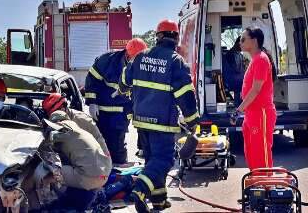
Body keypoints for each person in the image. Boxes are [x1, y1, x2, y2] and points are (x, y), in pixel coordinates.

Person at [118, 19, 200, 212]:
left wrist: (124, 90)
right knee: (164, 160)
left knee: (152, 161)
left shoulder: (140, 57)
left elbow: (124, 81)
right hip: (162, 123)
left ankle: (159, 200)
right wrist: (192, 119)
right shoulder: (175, 61)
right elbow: (184, 94)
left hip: (141, 121)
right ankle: (140, 190)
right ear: (176, 38)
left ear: (158, 37)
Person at [84, 38, 147, 166]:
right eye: (134, 59)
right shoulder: (107, 61)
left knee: (118, 142)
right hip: (102, 111)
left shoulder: (144, 64)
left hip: (123, 111)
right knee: (101, 143)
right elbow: (91, 80)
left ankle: (118, 168)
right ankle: (104, 169)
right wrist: (92, 102)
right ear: (127, 54)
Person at [42, 110, 112, 211]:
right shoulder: (77, 128)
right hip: (104, 172)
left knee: (50, 170)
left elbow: (48, 147)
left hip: (90, 177)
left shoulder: (62, 129)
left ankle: (46, 199)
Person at [234, 27, 277, 171]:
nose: (240, 42)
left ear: (254, 41)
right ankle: (255, 183)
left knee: (261, 152)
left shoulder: (261, 60)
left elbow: (256, 89)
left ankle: (265, 185)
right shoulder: (255, 60)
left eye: (243, 39)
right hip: (252, 113)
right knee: (251, 151)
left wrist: (239, 109)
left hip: (261, 113)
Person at [42, 93, 110, 156]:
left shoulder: (81, 119)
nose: (53, 117)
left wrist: (105, 155)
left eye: (54, 113)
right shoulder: (50, 121)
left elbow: (97, 137)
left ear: (63, 108)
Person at [222, 36, 245, 106]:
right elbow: (236, 69)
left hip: (238, 80)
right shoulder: (230, 54)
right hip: (232, 81)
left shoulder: (240, 55)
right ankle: (238, 106)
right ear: (238, 43)